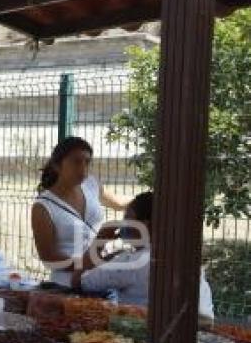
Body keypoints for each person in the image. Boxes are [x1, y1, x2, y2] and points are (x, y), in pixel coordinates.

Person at [73, 192, 215, 322]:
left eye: (127, 219)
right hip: (201, 334)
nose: (122, 225)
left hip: (151, 336)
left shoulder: (133, 262)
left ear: (143, 225)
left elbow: (78, 281)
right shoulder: (186, 255)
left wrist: (99, 241)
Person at [31, 136, 130, 287]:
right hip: (65, 285)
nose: (83, 169)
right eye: (76, 162)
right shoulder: (43, 207)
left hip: (99, 280)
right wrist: (93, 261)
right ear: (57, 165)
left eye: (87, 162)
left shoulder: (91, 184)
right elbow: (49, 258)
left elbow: (119, 203)